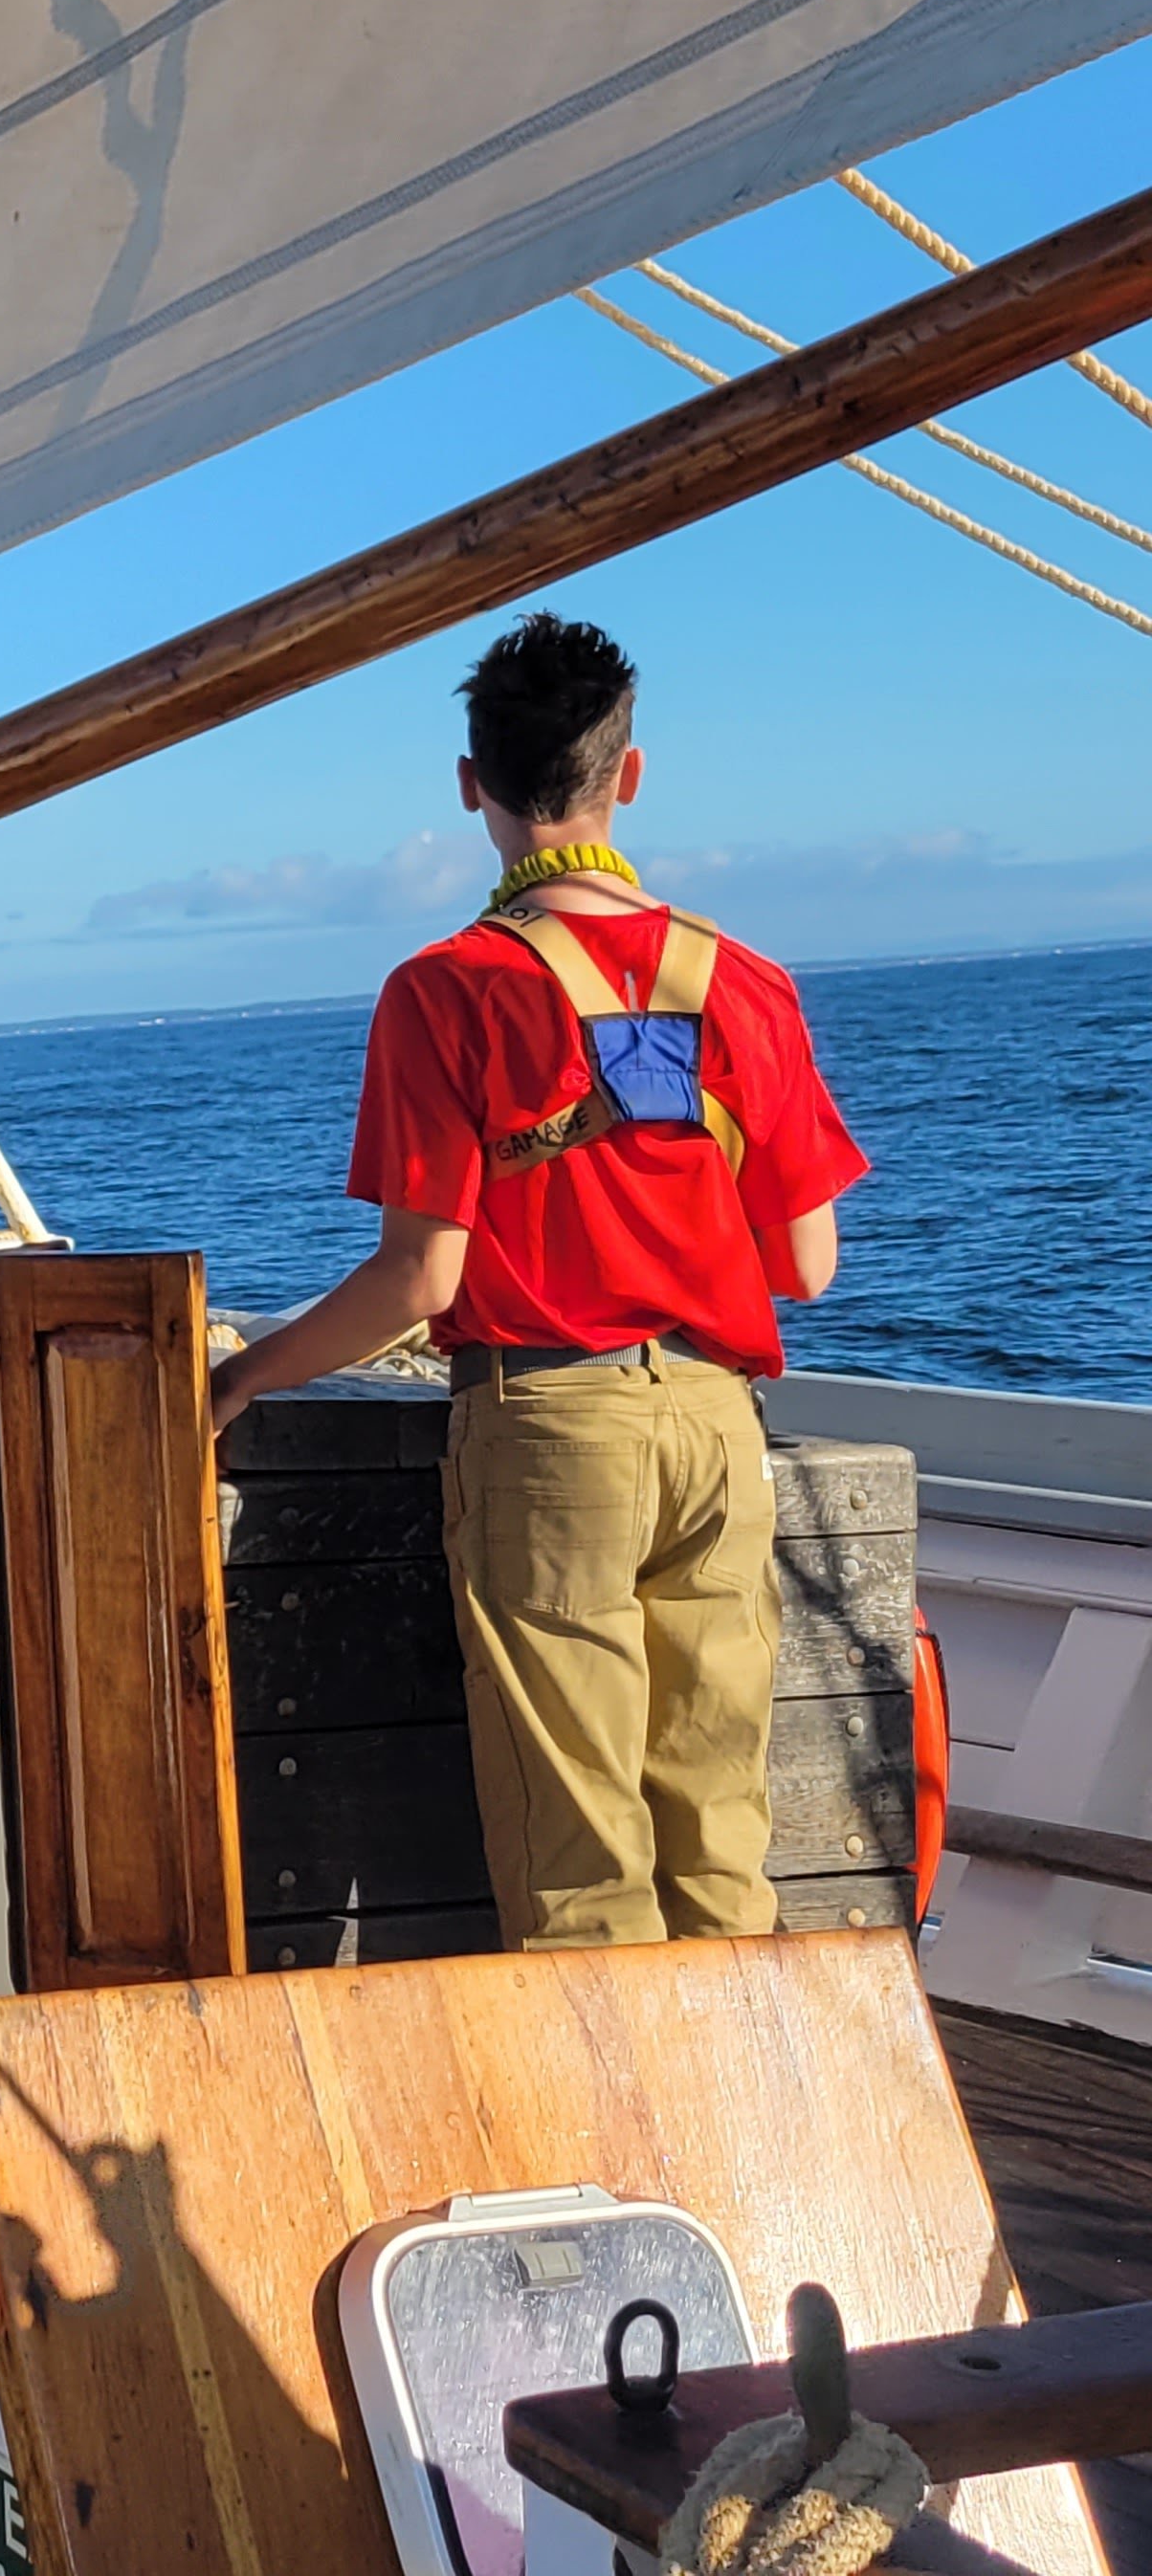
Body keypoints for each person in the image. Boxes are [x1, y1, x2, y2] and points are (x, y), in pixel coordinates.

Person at [210, 612, 866, 1949]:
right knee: (719, 1838)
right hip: (715, 1424)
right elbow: (809, 1264)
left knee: (581, 1863)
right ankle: (733, 2136)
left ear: (472, 785)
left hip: (554, 1429)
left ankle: (610, 2147)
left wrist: (239, 1379)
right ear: (629, 775)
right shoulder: (748, 983)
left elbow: (416, 1277)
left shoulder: (445, 991)